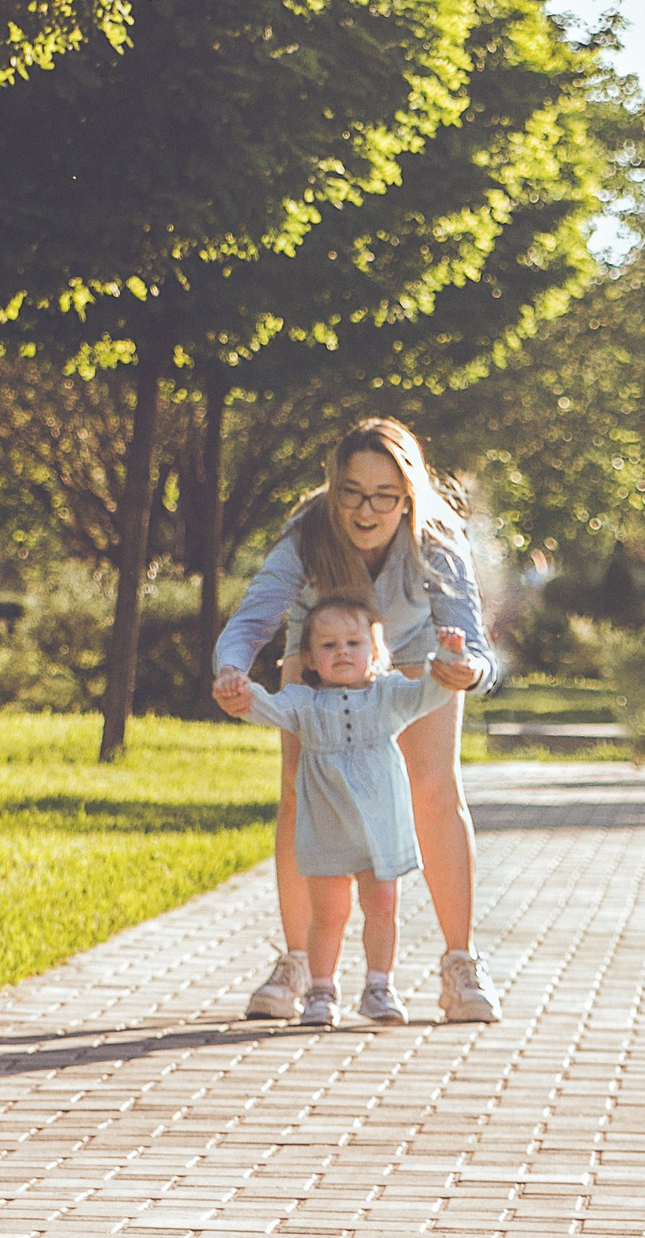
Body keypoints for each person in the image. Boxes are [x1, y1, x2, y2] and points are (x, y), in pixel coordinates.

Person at [212, 418, 503, 1023]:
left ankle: (460, 965)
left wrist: (465, 671)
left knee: (434, 792)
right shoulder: (308, 531)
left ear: (407, 495)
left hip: (417, 658)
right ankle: (297, 964)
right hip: (321, 653)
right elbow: (253, 617)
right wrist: (230, 671)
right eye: (352, 492)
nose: (366, 510)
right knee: (298, 797)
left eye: (384, 497)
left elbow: (473, 643)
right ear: (333, 484)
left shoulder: (438, 536)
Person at [219, 597, 460, 1026]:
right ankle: (321, 989)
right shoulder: (304, 702)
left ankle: (379, 986)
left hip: (379, 829)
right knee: (329, 913)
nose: (343, 652)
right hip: (328, 828)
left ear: (376, 654)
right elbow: (263, 706)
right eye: (329, 646)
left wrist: (449, 656)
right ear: (310, 659)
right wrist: (240, 689)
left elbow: (432, 692)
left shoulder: (389, 696)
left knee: (382, 903)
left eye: (354, 642)